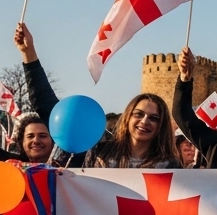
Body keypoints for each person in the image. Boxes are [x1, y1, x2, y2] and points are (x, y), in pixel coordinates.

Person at [10, 23, 179, 168]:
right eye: (138, 114)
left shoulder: (170, 165)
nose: (144, 121)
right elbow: (45, 103)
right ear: (128, 117)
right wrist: (28, 54)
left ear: (161, 125)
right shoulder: (100, 152)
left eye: (154, 118)